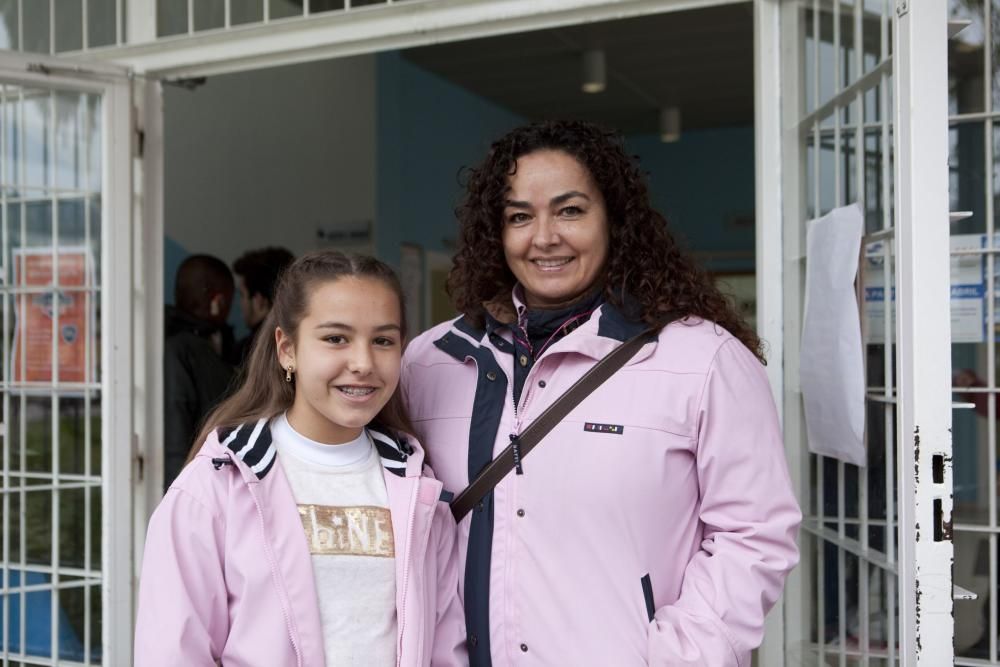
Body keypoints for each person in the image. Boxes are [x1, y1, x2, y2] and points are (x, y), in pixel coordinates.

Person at [400, 120, 801, 666]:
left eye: (570, 210)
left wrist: (681, 657)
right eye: (520, 216)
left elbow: (755, 534)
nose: (544, 237)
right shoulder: (431, 360)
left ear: (613, 218)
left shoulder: (702, 360)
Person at [137, 251, 466, 666]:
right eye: (335, 339)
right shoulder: (215, 486)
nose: (363, 363)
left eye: (383, 340)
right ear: (287, 349)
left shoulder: (418, 490)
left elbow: (445, 648)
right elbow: (173, 652)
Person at [163, 254, 236, 490]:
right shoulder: (180, 350)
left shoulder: (208, 343)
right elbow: (176, 436)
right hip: (195, 486)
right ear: (217, 301)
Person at [232, 246, 295, 365]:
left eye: (242, 295)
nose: (240, 303)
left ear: (258, 301)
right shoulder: (303, 339)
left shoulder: (247, 351)